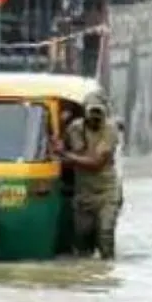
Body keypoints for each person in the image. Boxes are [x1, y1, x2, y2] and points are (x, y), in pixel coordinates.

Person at [55, 98, 122, 259]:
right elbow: (59, 148)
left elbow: (96, 163)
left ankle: (106, 271)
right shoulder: (74, 128)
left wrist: (65, 155)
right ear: (85, 112)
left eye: (99, 113)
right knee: (82, 242)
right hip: (83, 192)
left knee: (105, 235)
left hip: (106, 192)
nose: (96, 118)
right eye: (93, 112)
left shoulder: (110, 130)